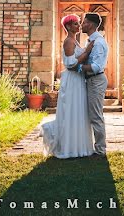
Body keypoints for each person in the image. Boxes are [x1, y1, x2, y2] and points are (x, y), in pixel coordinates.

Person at [40, 14, 95, 158]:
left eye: (78, 23)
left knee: (78, 111)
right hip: (72, 80)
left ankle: (78, 146)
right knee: (71, 111)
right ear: (69, 26)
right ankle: (61, 140)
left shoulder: (75, 41)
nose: (79, 25)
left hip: (79, 79)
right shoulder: (68, 42)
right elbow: (71, 64)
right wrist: (87, 51)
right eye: (76, 24)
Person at [79, 11, 109, 156]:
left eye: (83, 22)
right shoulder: (89, 41)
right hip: (89, 80)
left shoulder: (98, 42)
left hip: (96, 80)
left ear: (90, 24)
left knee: (96, 116)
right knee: (90, 115)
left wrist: (76, 67)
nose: (81, 25)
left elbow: (97, 66)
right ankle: (90, 146)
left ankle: (100, 150)